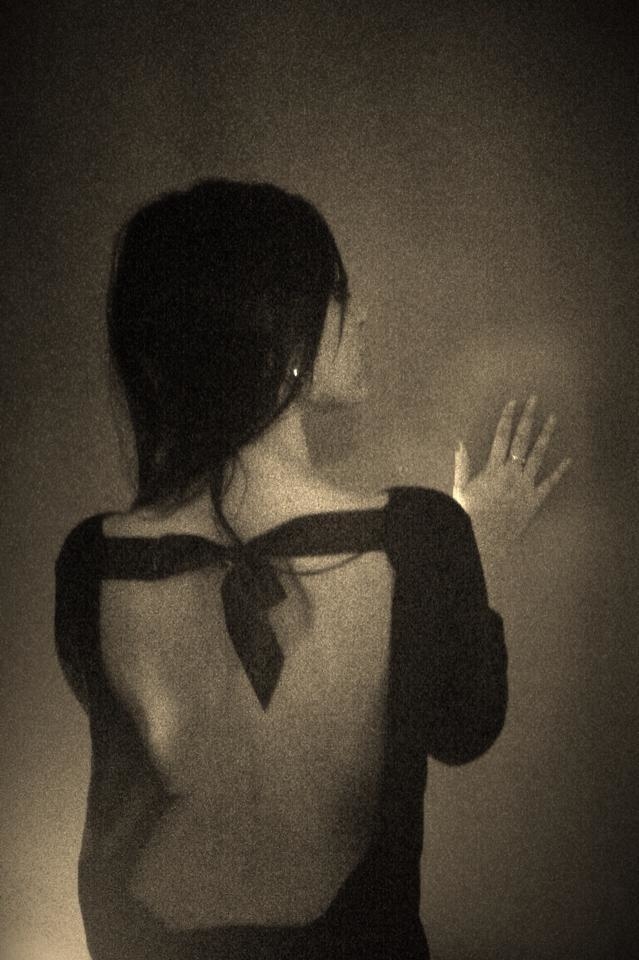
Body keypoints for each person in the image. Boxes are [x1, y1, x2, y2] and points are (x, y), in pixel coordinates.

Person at [54, 179, 571, 960]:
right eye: (336, 293)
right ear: (276, 331)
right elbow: (463, 728)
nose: (359, 316)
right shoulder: (421, 535)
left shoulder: (94, 559)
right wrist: (472, 548)